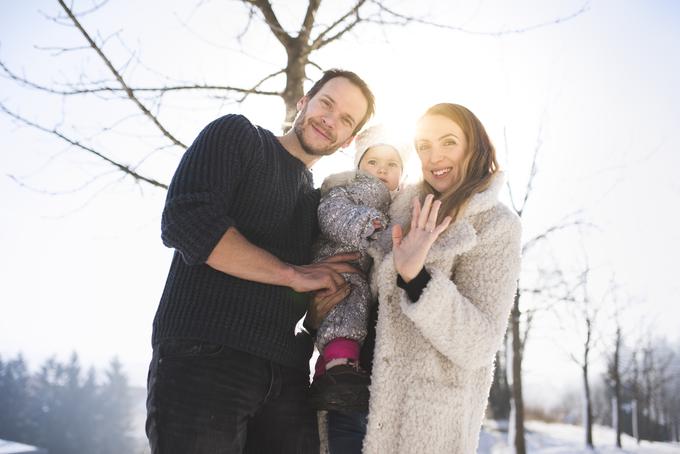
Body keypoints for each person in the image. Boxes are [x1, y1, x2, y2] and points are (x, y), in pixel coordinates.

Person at [145, 68, 376, 454]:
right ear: (304, 103)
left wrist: (318, 312)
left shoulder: (319, 205)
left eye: (345, 120)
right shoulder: (238, 136)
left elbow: (300, 292)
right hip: (205, 356)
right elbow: (187, 222)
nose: (330, 120)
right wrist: (291, 274)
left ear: (347, 141)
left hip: (286, 376)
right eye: (326, 104)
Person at [323, 103, 522, 454]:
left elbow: (480, 343)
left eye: (448, 142)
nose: (434, 156)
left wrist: (417, 279)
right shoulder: (400, 205)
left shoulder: (496, 225)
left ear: (473, 146)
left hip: (419, 421)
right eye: (424, 146)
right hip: (353, 398)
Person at [308, 125, 410, 413]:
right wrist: (367, 224)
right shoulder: (350, 187)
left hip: (358, 267)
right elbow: (331, 214)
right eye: (373, 162)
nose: (382, 170)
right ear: (360, 165)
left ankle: (327, 373)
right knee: (347, 301)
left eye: (392, 164)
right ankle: (340, 367)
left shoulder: (398, 201)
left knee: (355, 307)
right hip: (338, 260)